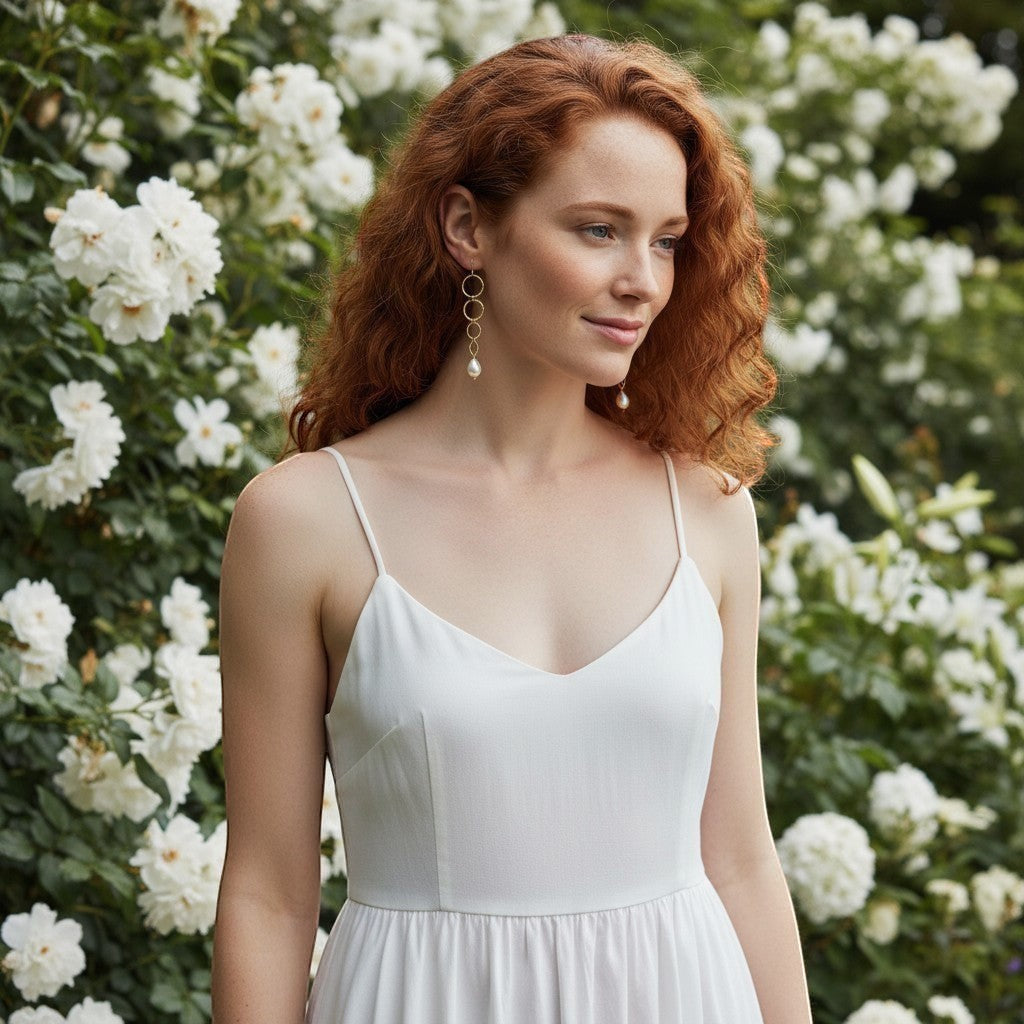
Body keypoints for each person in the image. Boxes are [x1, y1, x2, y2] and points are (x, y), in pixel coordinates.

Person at [211, 31, 813, 1024]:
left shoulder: (705, 512)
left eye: (665, 239)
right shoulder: (305, 519)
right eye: (596, 229)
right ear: (467, 226)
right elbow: (270, 894)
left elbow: (741, 859)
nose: (643, 280)